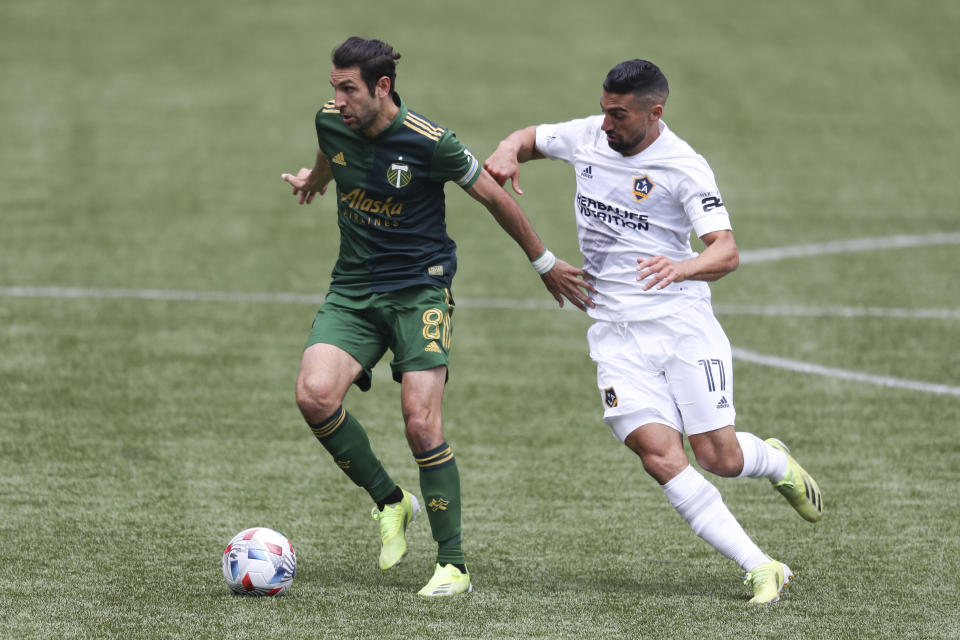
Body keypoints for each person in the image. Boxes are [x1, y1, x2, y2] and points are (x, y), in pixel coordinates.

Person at [483, 59, 823, 603]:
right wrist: (506, 149)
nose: (605, 124)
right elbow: (530, 138)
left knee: (720, 458)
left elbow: (727, 251)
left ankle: (774, 460)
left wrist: (680, 267)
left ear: (654, 112)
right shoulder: (589, 137)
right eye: (603, 110)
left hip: (680, 324)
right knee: (660, 455)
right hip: (615, 332)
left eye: (618, 115)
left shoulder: (684, 167)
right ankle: (762, 566)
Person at [280, 37, 593, 597]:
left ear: (382, 87)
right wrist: (315, 180)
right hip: (352, 290)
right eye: (334, 87)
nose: (338, 99)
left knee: (421, 424)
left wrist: (544, 262)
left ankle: (453, 565)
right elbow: (332, 153)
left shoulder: (431, 143)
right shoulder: (331, 121)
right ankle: (392, 502)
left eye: (349, 88)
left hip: (419, 292)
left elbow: (495, 198)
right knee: (313, 395)